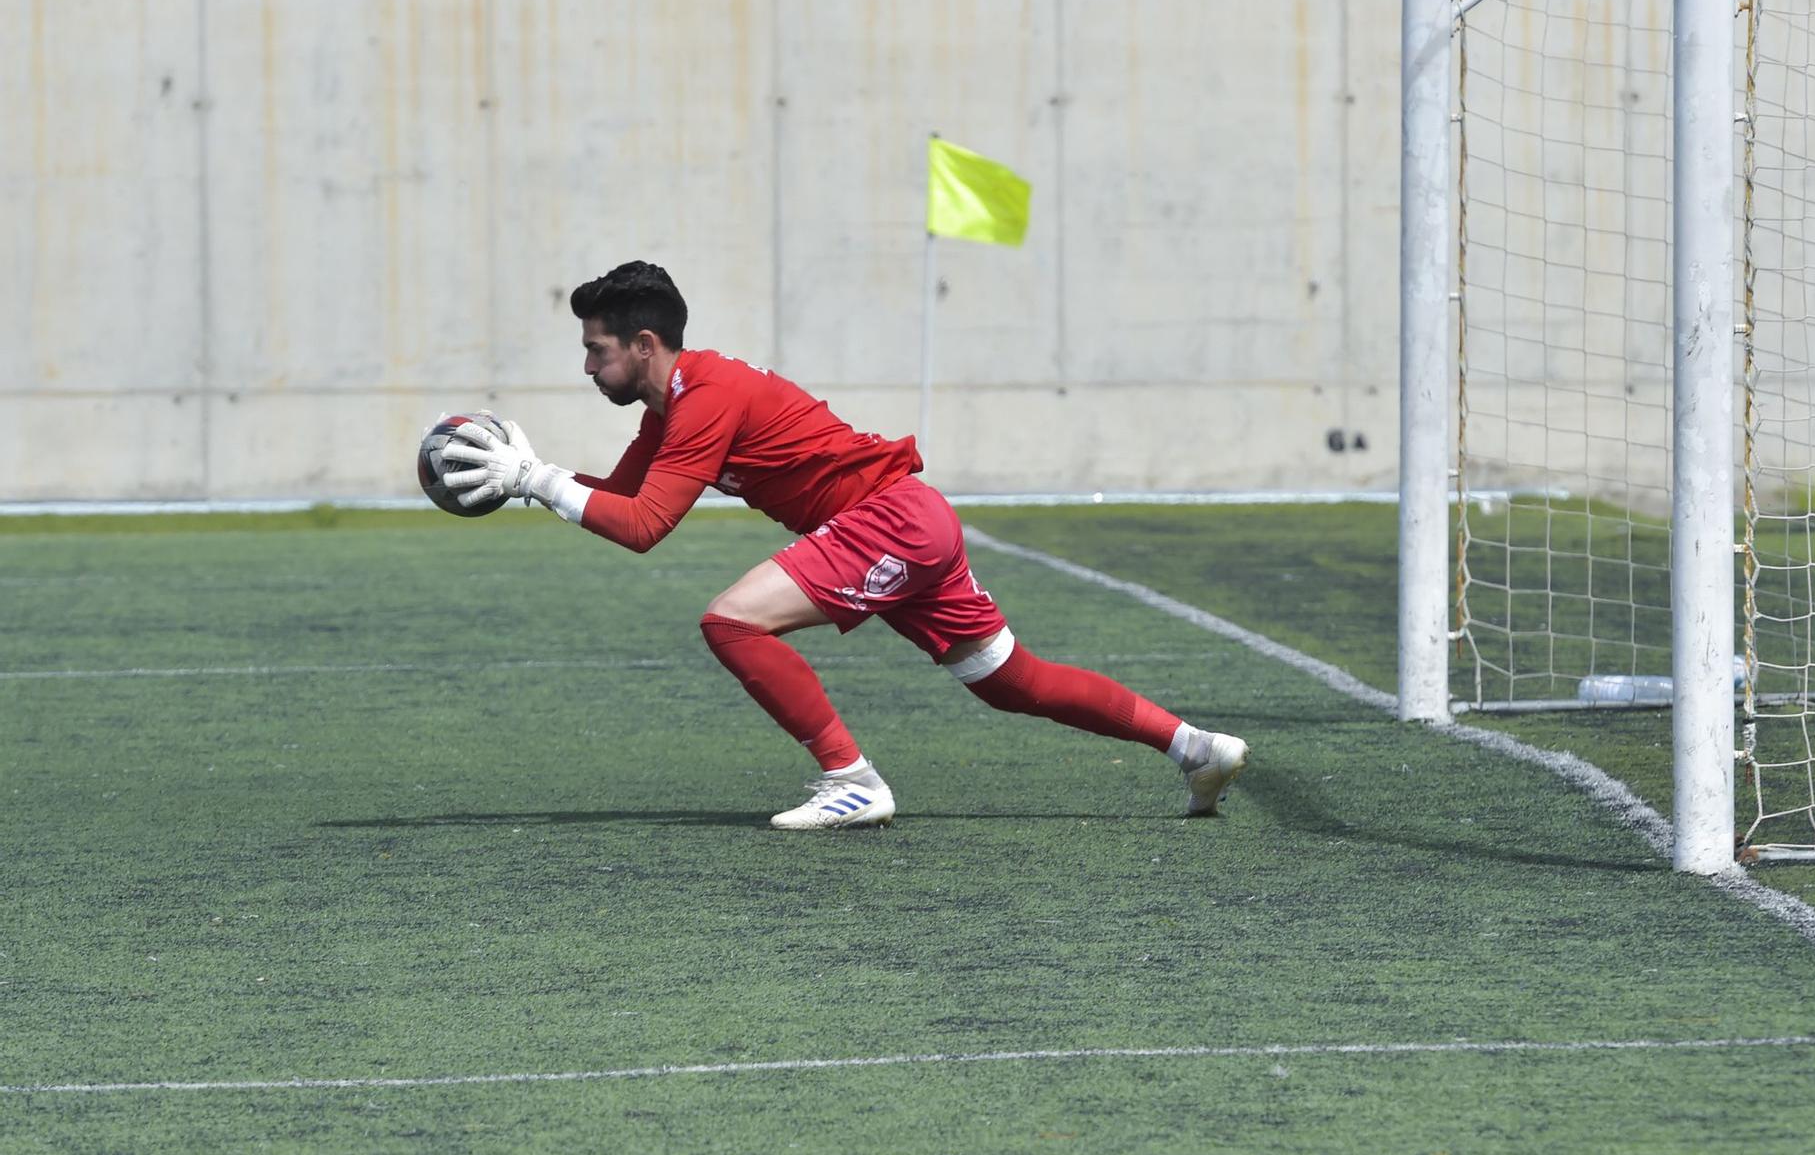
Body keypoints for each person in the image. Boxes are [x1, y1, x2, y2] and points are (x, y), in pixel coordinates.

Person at [440, 260, 1247, 829]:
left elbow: (646, 530)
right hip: (904, 518)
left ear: (644, 344)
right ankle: (1194, 746)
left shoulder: (705, 394)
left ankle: (850, 780)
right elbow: (623, 501)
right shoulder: (674, 407)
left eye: (596, 349)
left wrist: (537, 478)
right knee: (1010, 681)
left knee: (732, 622)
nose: (587, 365)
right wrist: (528, 475)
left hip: (885, 523)